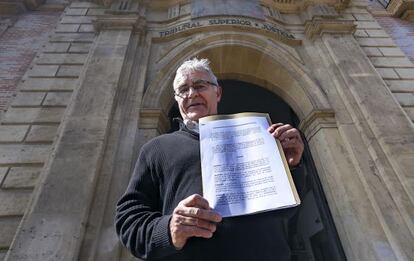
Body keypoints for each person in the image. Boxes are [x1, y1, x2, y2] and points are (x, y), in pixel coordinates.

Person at [115, 58, 304, 260]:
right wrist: (169, 229)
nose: (191, 94)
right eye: (183, 90)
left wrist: (291, 167)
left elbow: (287, 212)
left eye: (199, 85)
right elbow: (129, 221)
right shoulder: (156, 149)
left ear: (218, 92)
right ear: (177, 99)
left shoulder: (257, 137)